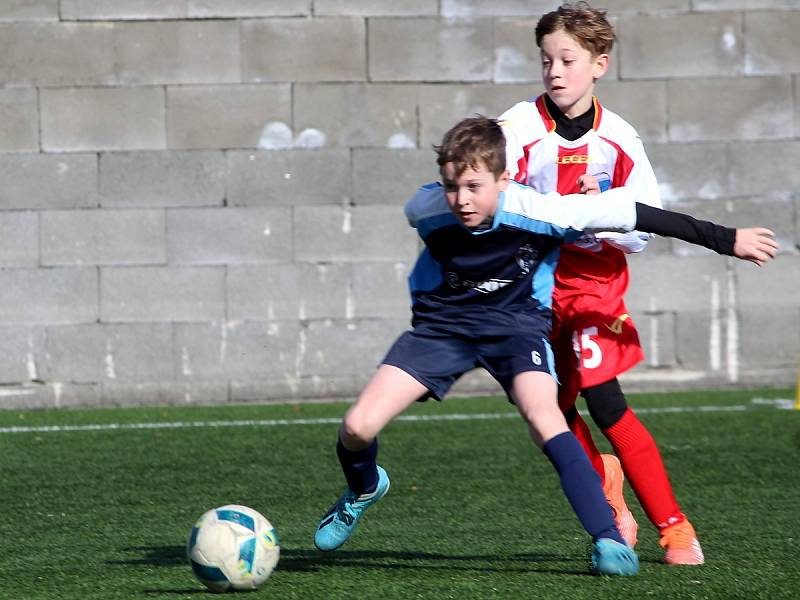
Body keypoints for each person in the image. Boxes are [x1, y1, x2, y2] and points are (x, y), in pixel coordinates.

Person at [312, 116, 777, 576]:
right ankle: (365, 487)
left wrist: (727, 239)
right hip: (444, 327)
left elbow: (633, 212)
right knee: (356, 427)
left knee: (546, 417)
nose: (462, 199)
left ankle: (609, 539)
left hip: (515, 328)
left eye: (475, 186)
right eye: (452, 186)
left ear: (503, 178)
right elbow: (436, 211)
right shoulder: (426, 208)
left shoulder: (540, 210)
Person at [498, 0, 723, 564]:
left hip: (594, 287)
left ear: (599, 64)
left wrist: (601, 223)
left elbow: (643, 226)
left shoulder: (620, 139)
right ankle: (608, 498)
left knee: (606, 402)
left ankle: (675, 527)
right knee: (545, 410)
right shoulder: (517, 127)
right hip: (530, 289)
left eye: (567, 60)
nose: (554, 71)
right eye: (546, 59)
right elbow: (490, 186)